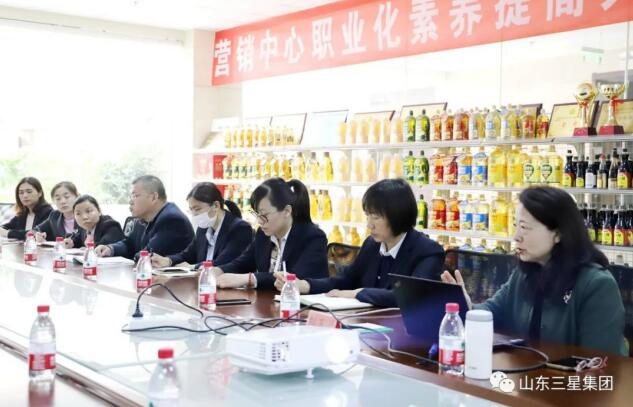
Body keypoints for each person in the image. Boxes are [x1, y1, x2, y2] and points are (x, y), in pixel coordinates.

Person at [441, 186, 627, 356]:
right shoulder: (524, 273)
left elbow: (602, 364)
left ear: (558, 234)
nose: (516, 237)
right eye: (516, 226)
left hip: (571, 381)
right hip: (528, 377)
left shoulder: (596, 285)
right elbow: (492, 313)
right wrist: (465, 306)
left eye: (524, 227)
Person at [275, 179, 445, 307]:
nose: (369, 224)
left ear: (398, 216)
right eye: (367, 215)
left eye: (375, 217)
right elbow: (345, 279)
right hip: (366, 326)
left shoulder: (428, 251)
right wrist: (304, 285)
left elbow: (409, 297)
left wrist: (357, 293)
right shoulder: (372, 244)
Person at [211, 178, 328, 289]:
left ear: (287, 211)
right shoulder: (263, 234)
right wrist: (219, 270)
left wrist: (250, 279)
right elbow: (243, 263)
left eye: (264, 215)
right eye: (257, 215)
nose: (260, 221)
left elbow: (292, 278)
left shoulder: (313, 237)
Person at [151, 182, 253, 269]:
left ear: (216, 205)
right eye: (191, 210)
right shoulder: (203, 229)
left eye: (197, 209)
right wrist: (168, 261)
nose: (194, 214)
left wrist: (193, 267)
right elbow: (189, 254)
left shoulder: (240, 229)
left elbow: (224, 262)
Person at [94, 175, 194, 259]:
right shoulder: (142, 218)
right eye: (130, 197)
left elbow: (146, 255)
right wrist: (110, 249)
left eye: (135, 196)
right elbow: (129, 244)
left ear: (153, 197)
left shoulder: (172, 220)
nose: (130, 201)